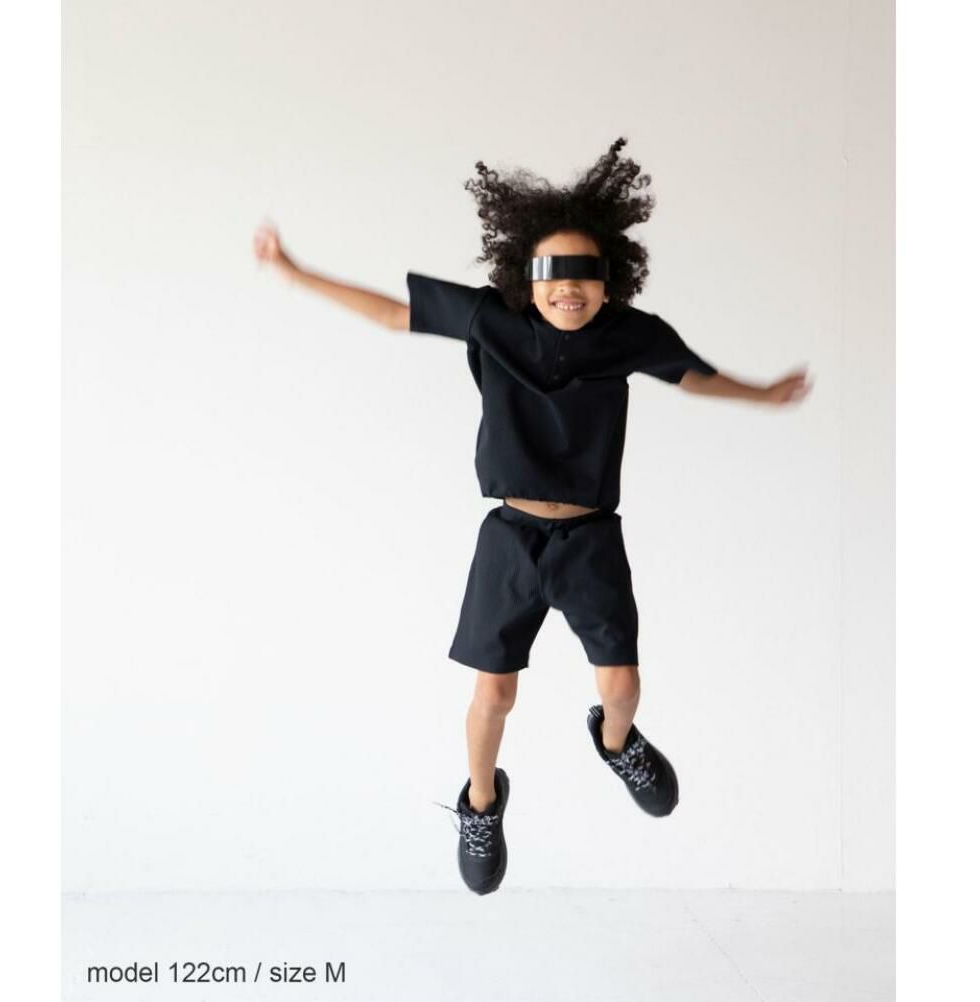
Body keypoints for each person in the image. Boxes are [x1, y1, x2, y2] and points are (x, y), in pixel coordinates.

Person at [252, 136, 811, 896]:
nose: (568, 289)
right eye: (553, 274)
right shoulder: (494, 321)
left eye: (586, 274)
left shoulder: (629, 336)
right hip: (511, 538)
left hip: (590, 538)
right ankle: (481, 803)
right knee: (495, 694)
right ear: (526, 277)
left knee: (622, 686)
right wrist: (295, 273)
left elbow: (694, 377)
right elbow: (391, 314)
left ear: (610, 280)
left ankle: (617, 745)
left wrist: (763, 394)